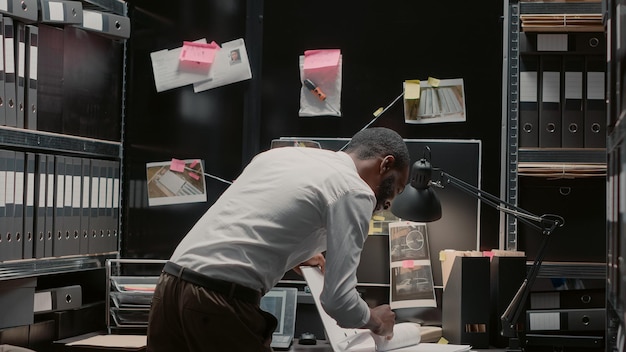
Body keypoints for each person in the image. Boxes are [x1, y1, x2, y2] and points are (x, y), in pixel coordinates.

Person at [146, 127, 411, 352]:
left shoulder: (281, 156)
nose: (388, 203)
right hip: (219, 302)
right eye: (395, 187)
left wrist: (297, 252)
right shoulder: (356, 190)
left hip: (170, 286)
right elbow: (338, 301)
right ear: (385, 164)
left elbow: (256, 220)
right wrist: (375, 320)